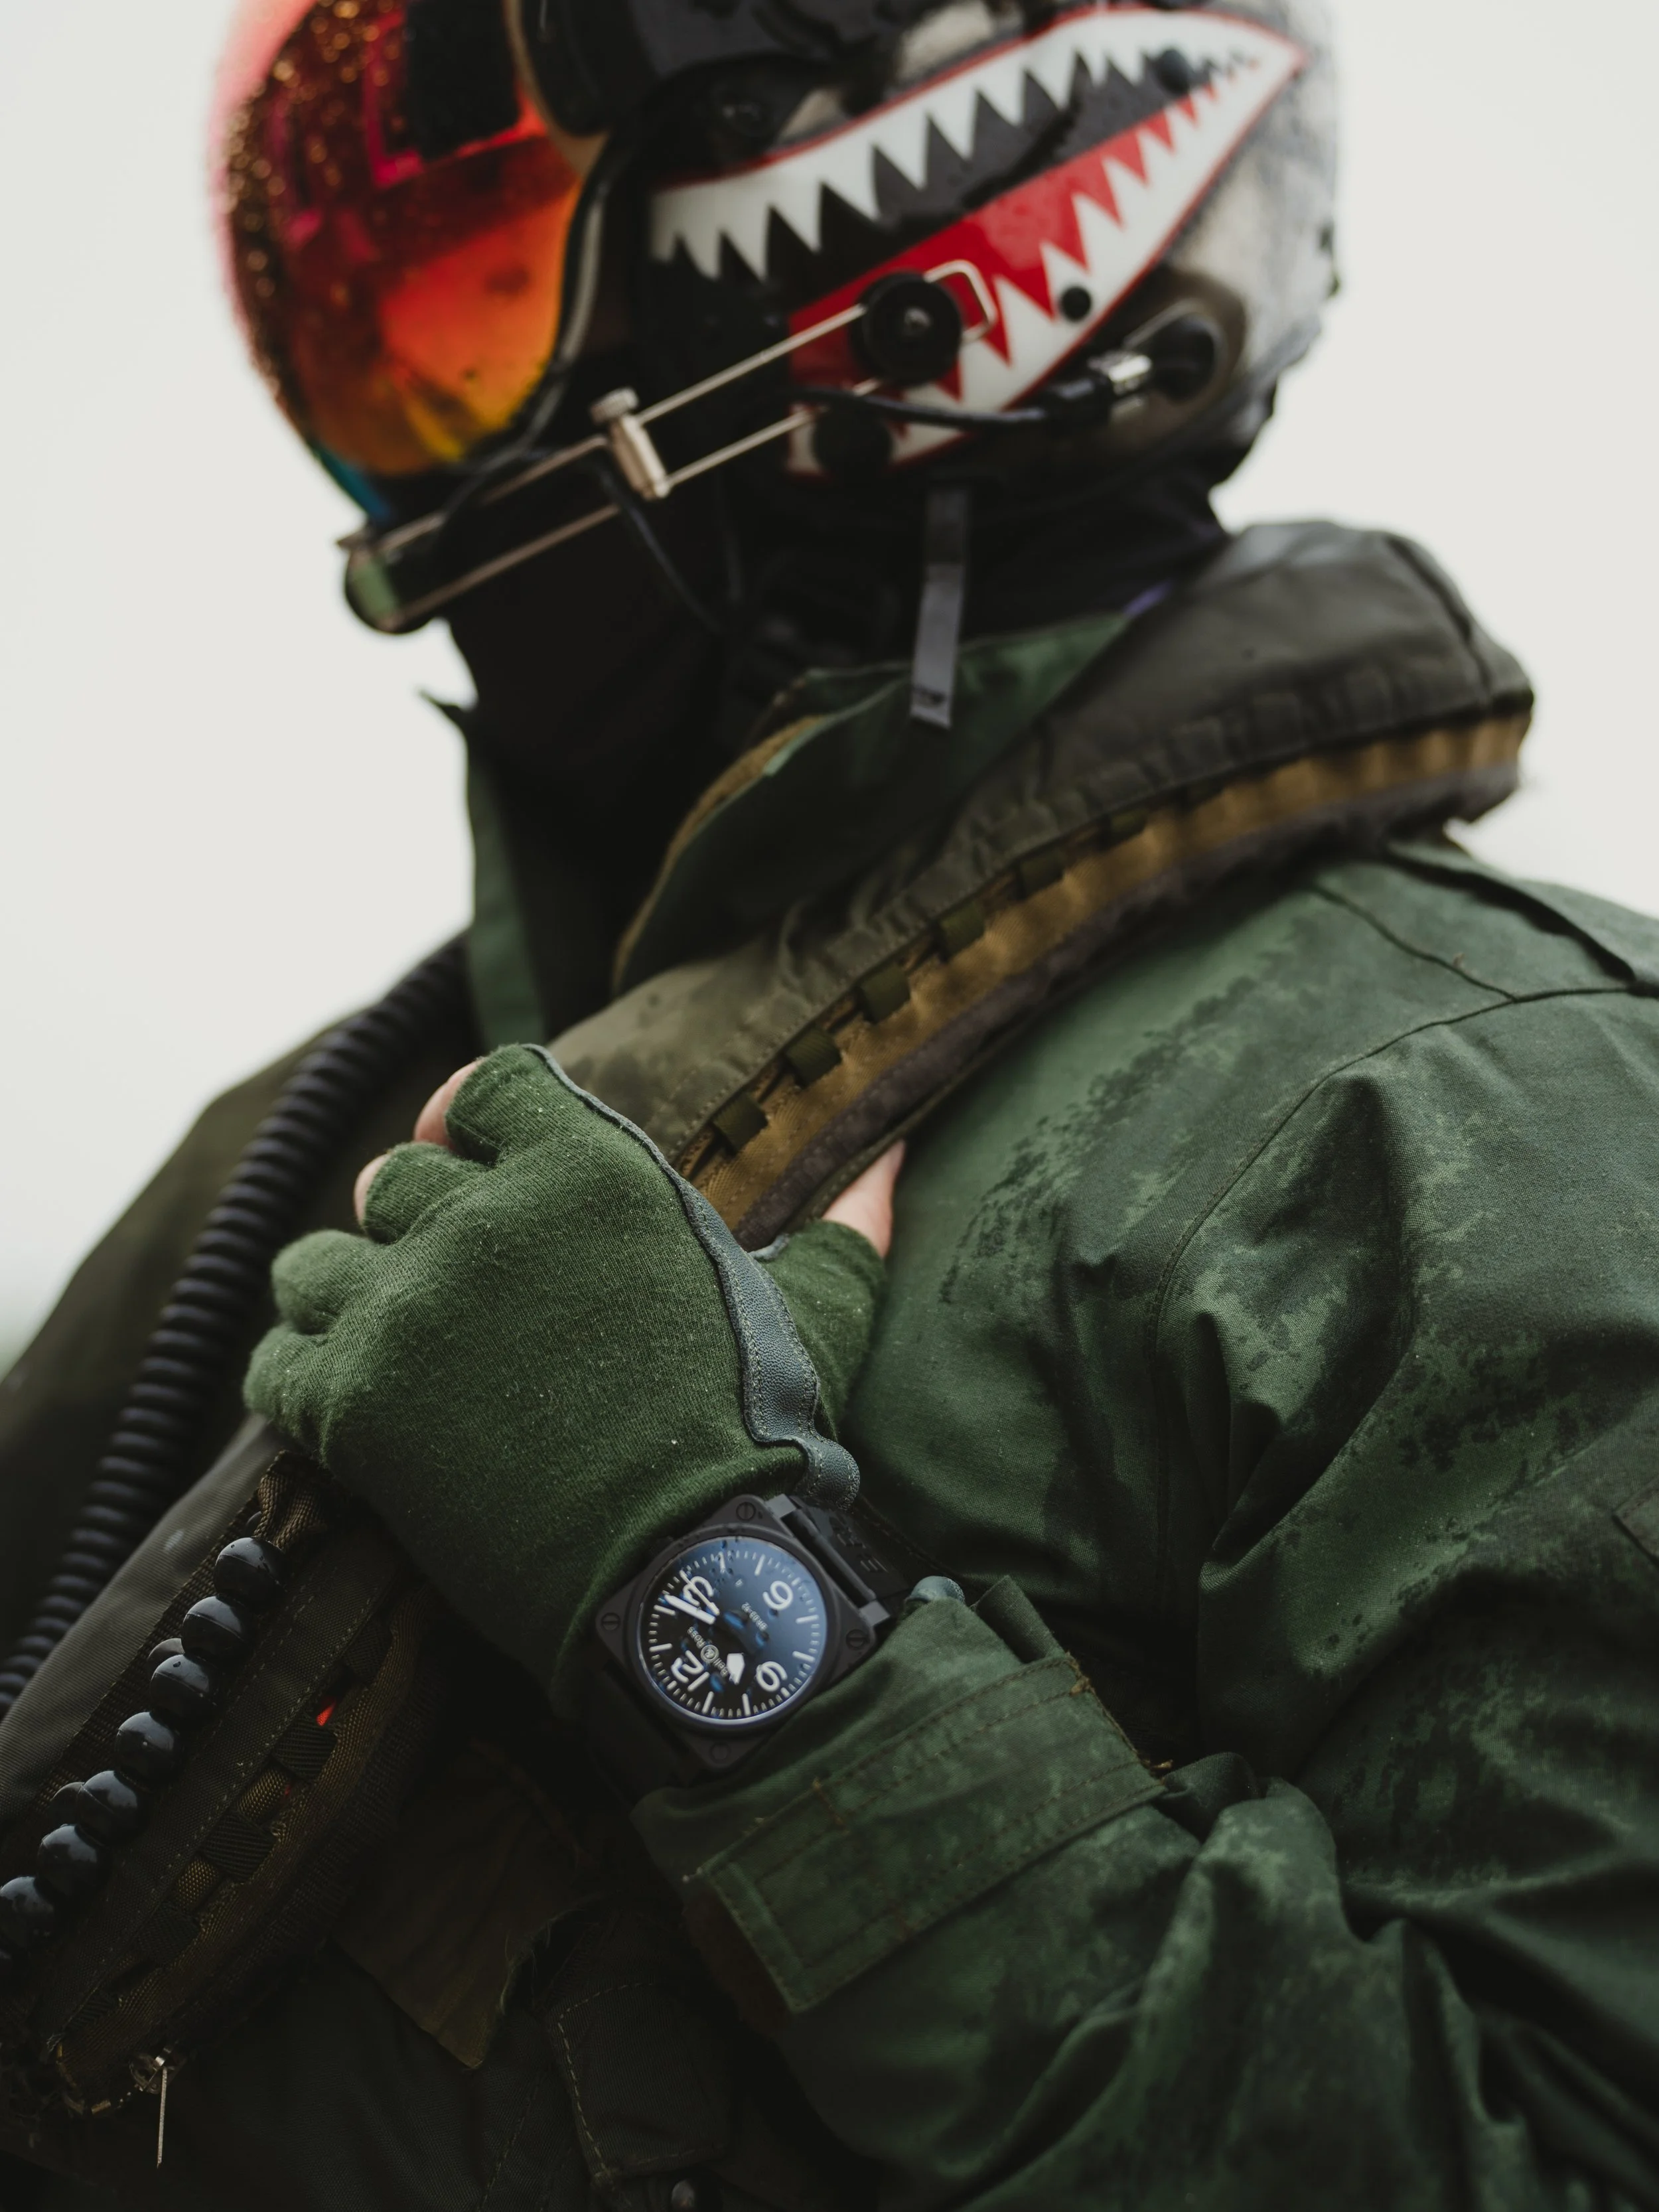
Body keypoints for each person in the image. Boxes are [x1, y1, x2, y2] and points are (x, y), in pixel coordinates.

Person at [2, 1, 1658, 2205]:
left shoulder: (1475, 1105)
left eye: (475, 299)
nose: (414, 458)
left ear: (907, 293)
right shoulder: (330, 1133)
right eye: (369, 318)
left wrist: (710, 1578)